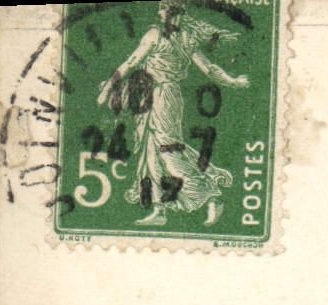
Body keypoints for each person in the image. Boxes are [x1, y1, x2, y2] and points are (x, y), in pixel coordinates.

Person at [94, 0, 249, 227]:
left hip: (163, 98)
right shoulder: (174, 37)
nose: (160, 12)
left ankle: (211, 196)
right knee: (151, 153)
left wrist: (233, 82)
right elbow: (132, 62)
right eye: (159, 8)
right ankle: (160, 209)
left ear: (176, 11)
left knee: (168, 152)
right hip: (155, 96)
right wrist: (233, 82)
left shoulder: (167, 37)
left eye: (164, 7)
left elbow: (208, 69)